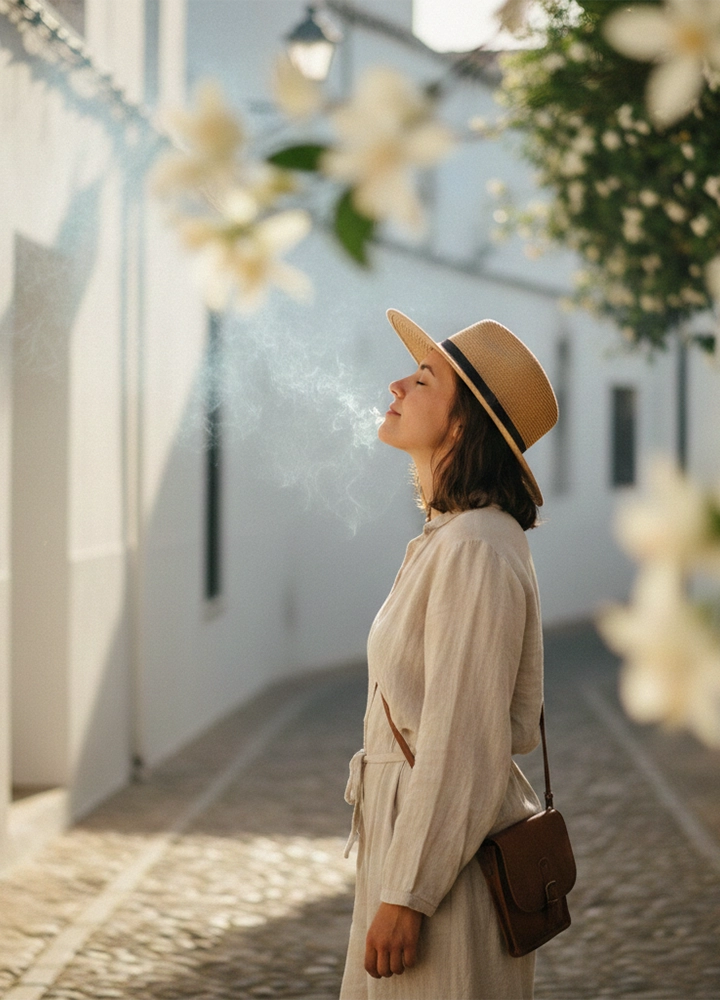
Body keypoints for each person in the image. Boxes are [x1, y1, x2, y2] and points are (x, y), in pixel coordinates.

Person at [339, 309, 559, 1000]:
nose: (398, 385)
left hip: (444, 883)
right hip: (416, 852)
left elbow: (463, 737)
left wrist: (408, 894)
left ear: (463, 427)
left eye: (424, 379)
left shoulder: (476, 548)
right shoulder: (450, 538)